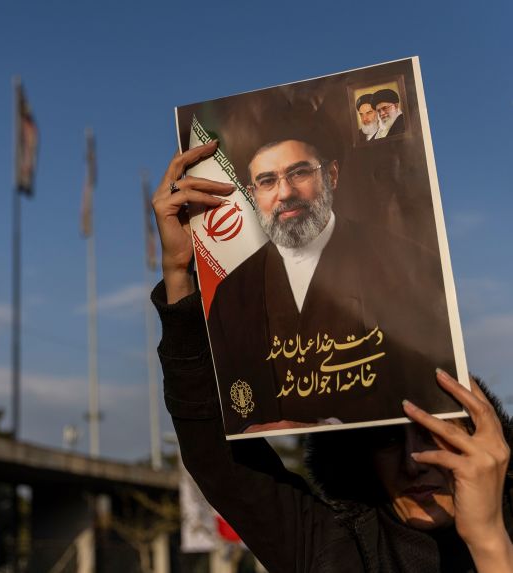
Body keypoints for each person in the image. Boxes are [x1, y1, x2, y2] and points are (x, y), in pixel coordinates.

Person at [151, 141, 513, 571]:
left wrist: (490, 540)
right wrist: (178, 275)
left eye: (438, 434)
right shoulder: (333, 548)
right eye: (389, 439)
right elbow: (217, 460)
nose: (415, 462)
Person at [204, 125, 456, 434]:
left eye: (299, 173)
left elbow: (434, 391)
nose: (284, 193)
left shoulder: (408, 265)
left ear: (331, 176)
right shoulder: (232, 295)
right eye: (267, 181)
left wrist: (330, 428)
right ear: (253, 193)